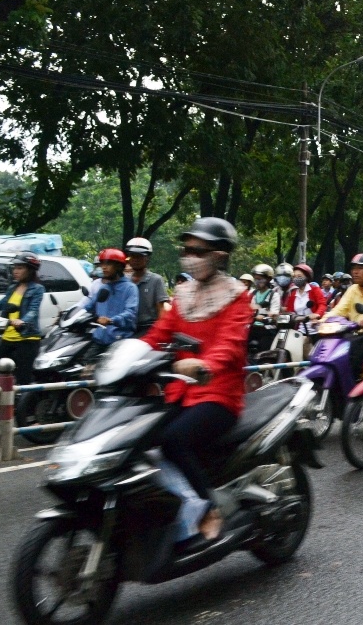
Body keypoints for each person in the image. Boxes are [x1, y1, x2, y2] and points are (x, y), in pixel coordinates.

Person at [142, 217, 252, 542]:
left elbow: (229, 345)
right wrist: (126, 353)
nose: (190, 256)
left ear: (219, 255)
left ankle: (207, 507)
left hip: (218, 395)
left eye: (198, 251)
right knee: (139, 436)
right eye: (187, 250)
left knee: (174, 440)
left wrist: (203, 364)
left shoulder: (237, 296)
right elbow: (159, 333)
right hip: (179, 391)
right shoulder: (184, 293)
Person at [0, 251, 44, 386]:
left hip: (27, 338)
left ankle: (23, 404)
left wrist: (23, 321)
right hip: (7, 337)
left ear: (30, 270)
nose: (15, 271)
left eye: (20, 268)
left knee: (23, 378)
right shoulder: (12, 288)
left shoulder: (37, 289)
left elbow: (33, 310)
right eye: (15, 268)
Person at [81, 248, 138, 355]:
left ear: (119, 266)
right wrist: (71, 314)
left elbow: (130, 313)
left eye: (108, 263)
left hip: (118, 341)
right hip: (99, 338)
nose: (104, 267)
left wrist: (111, 320)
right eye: (102, 264)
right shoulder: (104, 288)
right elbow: (88, 306)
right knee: (83, 367)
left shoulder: (130, 288)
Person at [124, 237, 170, 337]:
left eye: (139, 256)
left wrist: (159, 332)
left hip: (148, 330)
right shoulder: (125, 281)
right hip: (127, 329)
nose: (136, 260)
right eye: (133, 256)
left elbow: (161, 311)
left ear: (147, 258)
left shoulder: (156, 280)